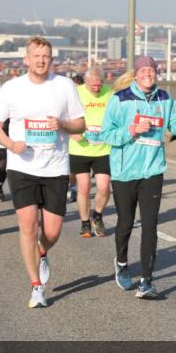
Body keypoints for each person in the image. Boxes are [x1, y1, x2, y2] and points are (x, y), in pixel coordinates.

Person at [0, 37, 85, 309]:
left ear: (52, 60)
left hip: (55, 167)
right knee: (28, 226)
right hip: (22, 167)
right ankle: (36, 287)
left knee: (52, 231)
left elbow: (80, 125)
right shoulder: (12, 88)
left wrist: (63, 124)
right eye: (36, 56)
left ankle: (42, 252)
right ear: (26, 59)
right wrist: (10, 144)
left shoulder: (64, 86)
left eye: (46, 56)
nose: (41, 60)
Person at [100, 55, 176, 299]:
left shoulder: (165, 99)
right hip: (124, 172)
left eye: (152, 70)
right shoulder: (120, 99)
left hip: (152, 171)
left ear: (156, 73)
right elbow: (105, 135)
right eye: (144, 70)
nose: (148, 74)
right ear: (137, 73)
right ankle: (121, 263)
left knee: (150, 226)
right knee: (125, 223)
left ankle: (146, 281)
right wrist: (131, 130)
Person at [69, 66, 113, 238]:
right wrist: (72, 131)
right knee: (85, 187)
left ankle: (98, 216)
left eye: (99, 84)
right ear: (85, 81)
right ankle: (85, 222)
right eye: (93, 85)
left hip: (103, 148)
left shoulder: (110, 93)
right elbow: (63, 114)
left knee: (103, 187)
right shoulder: (75, 93)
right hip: (80, 148)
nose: (97, 88)